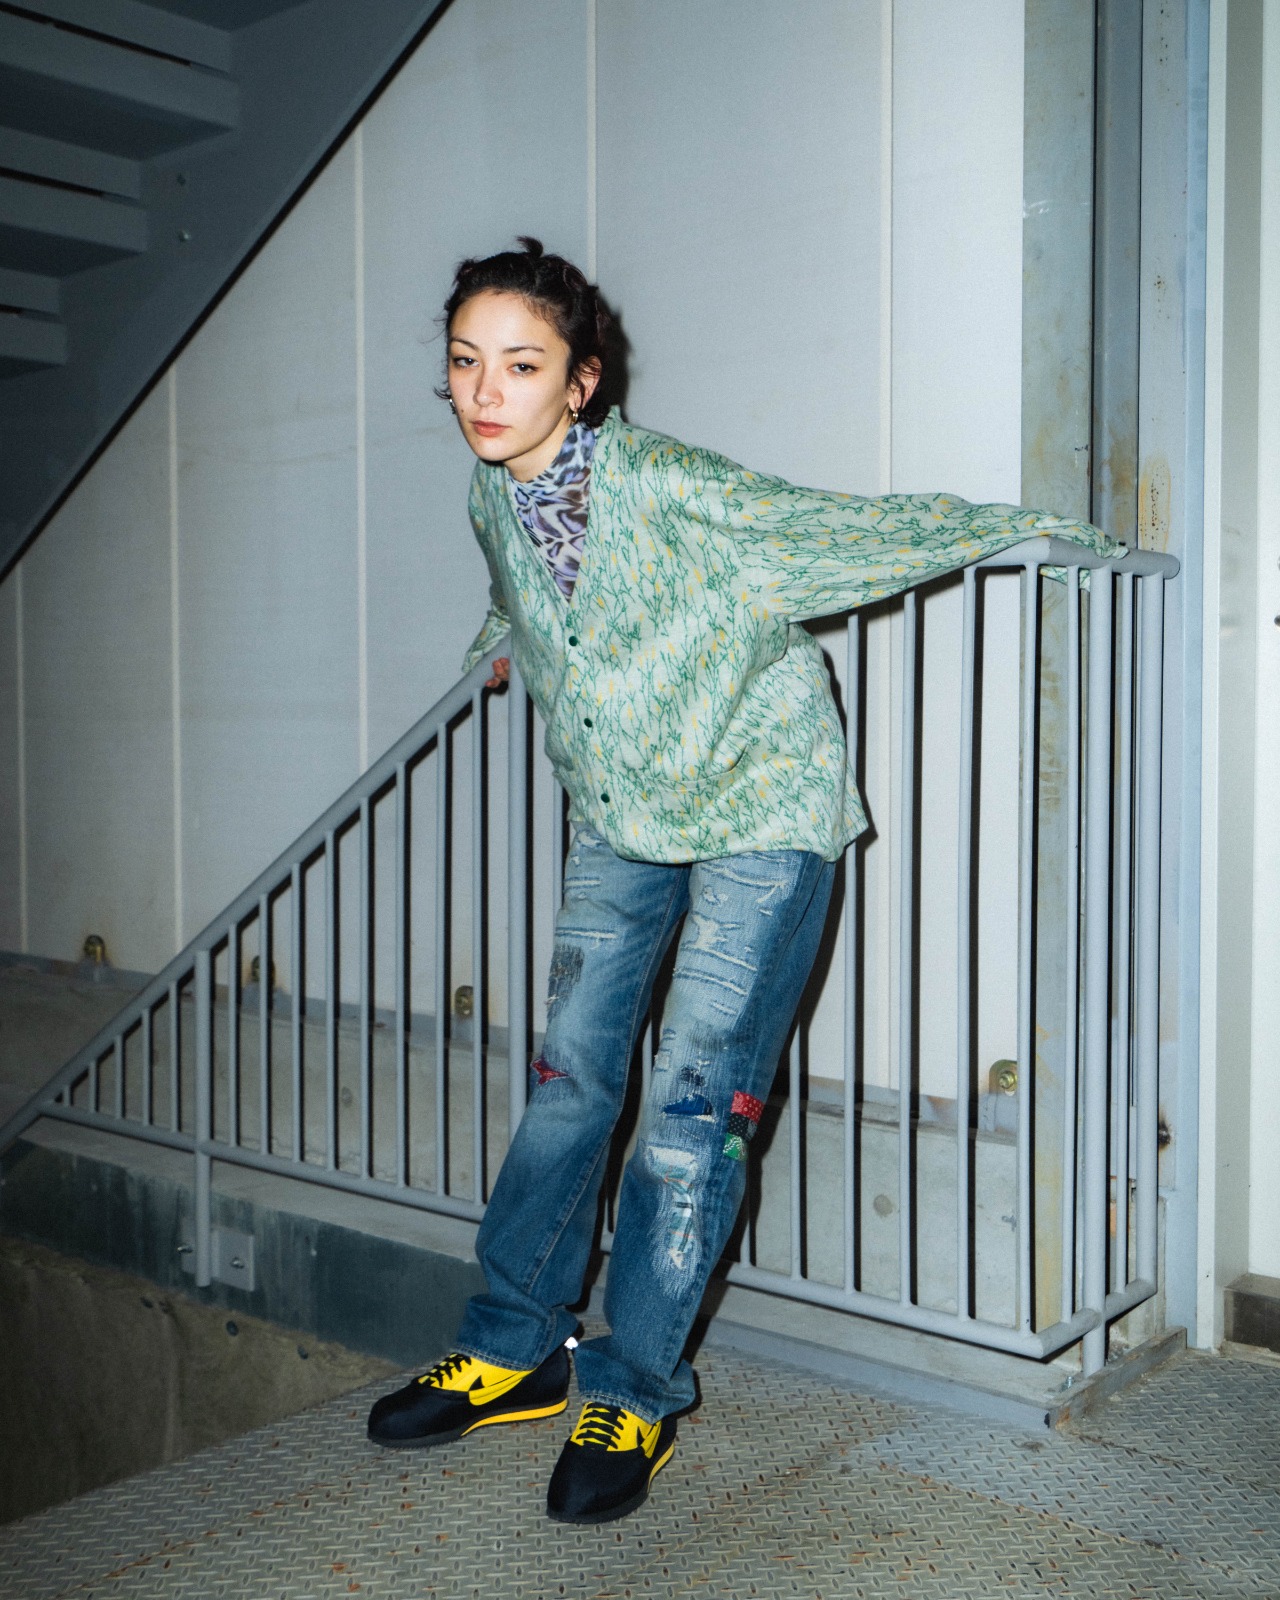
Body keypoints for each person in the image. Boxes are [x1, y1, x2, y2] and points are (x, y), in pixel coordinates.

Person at [367, 238, 1115, 1524]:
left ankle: (634, 1389)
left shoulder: (672, 489)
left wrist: (1027, 529)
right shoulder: (490, 492)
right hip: (622, 807)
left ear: (581, 382)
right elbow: (516, 582)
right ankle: (514, 1345)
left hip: (757, 810)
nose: (485, 392)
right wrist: (499, 637)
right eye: (465, 362)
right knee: (567, 1078)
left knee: (688, 1105)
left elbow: (840, 533)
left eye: (521, 365)